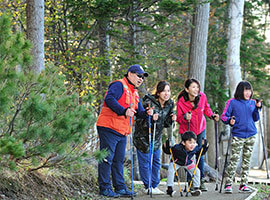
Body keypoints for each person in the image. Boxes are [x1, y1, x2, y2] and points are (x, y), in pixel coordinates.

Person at [96, 64, 154, 198]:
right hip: (109, 127)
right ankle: (104, 188)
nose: (141, 79)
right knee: (106, 159)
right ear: (130, 74)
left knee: (118, 160)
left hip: (122, 130)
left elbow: (139, 112)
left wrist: (146, 113)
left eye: (142, 77)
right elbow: (109, 99)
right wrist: (124, 111)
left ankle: (120, 188)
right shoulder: (118, 85)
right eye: (139, 76)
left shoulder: (134, 92)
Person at [133, 80, 176, 195]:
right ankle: (148, 186)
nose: (166, 94)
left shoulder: (169, 104)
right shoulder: (148, 102)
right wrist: (151, 118)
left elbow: (166, 124)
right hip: (143, 137)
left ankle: (155, 185)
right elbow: (140, 119)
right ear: (158, 92)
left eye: (168, 91)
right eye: (163, 91)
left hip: (156, 137)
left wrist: (171, 119)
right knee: (145, 162)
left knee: (156, 161)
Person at [176, 78, 219, 191]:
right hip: (187, 131)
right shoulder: (181, 101)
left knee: (200, 154)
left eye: (197, 87)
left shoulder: (202, 97)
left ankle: (200, 181)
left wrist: (211, 116)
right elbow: (179, 119)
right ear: (187, 89)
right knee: (187, 156)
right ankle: (190, 181)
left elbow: (206, 109)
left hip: (200, 129)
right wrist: (185, 117)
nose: (196, 89)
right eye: (193, 87)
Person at [221, 80, 262, 194]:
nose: (248, 92)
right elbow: (224, 116)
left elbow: (255, 118)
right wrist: (230, 121)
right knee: (234, 159)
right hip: (238, 135)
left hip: (251, 134)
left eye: (249, 90)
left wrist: (258, 108)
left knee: (246, 160)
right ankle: (228, 184)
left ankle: (243, 184)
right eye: (245, 90)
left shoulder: (253, 102)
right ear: (240, 90)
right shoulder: (232, 102)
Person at [162, 131, 209, 196]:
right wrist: (166, 145)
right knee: (171, 171)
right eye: (190, 143)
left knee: (197, 171)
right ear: (183, 143)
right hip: (176, 162)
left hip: (187, 163)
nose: (192, 145)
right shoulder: (177, 148)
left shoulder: (195, 148)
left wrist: (205, 146)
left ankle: (196, 188)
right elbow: (168, 151)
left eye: (194, 142)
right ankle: (169, 188)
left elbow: (201, 152)